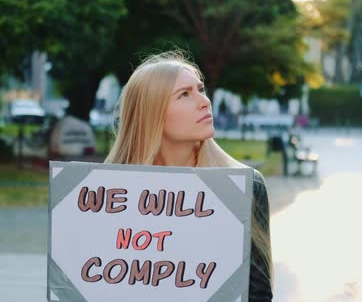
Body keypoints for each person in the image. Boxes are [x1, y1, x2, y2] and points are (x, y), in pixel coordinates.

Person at [105, 51, 273, 301]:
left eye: (200, 89)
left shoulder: (244, 186)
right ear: (152, 113)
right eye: (184, 94)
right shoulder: (105, 194)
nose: (204, 101)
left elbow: (257, 294)